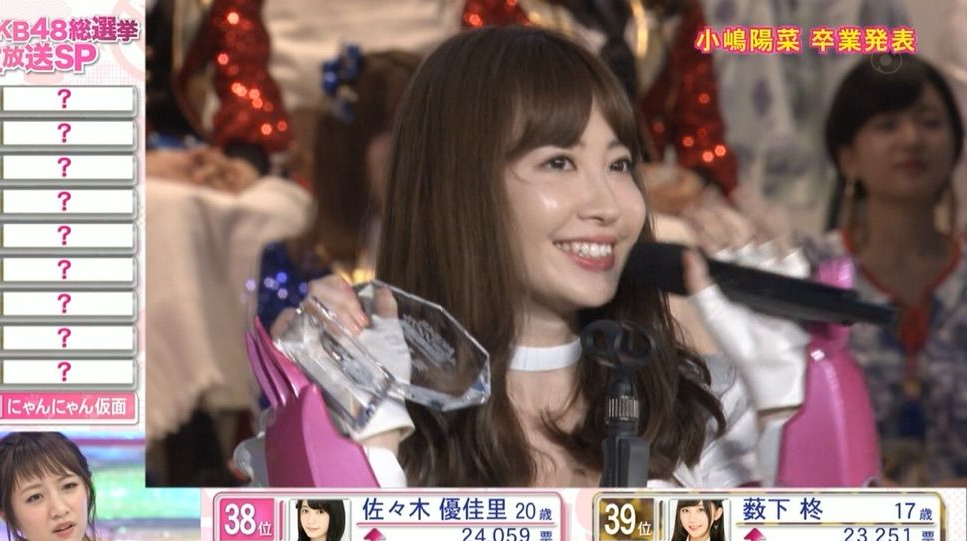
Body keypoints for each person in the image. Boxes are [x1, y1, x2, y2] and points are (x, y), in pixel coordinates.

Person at [269, 26, 760, 489]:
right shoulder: (353, 401)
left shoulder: (702, 413)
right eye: (559, 163)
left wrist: (788, 408)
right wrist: (364, 440)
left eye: (619, 164)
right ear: (457, 188)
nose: (609, 206)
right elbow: (314, 536)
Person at [804, 55, 966, 486]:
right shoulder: (809, 274)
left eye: (930, 122)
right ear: (848, 158)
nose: (911, 139)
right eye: (887, 125)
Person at [256, 49, 421, 333]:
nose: (418, 149)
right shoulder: (291, 266)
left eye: (426, 129)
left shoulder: (460, 262)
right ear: (347, 151)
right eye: (393, 128)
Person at [0, 432, 169, 541]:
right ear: (7, 516)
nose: (59, 509)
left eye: (69, 486)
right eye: (34, 497)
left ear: (88, 487)